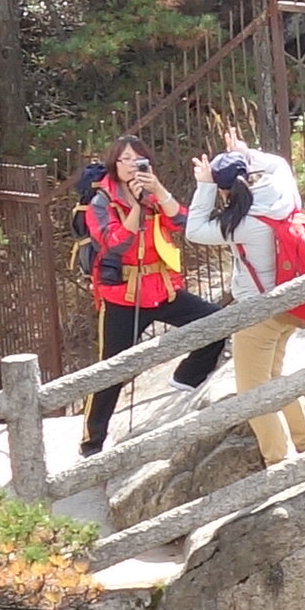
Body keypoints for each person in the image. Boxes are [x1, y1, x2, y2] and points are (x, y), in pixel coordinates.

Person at [191, 127, 305, 462]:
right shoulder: (284, 195)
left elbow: (193, 229)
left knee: (252, 392)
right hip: (292, 306)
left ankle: (279, 460)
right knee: (275, 377)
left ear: (224, 189)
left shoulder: (240, 223)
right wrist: (247, 153)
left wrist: (205, 185)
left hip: (258, 314)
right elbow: (278, 165)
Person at [75, 141, 199, 449]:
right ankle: (92, 441)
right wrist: (137, 209)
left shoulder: (153, 192)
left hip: (163, 290)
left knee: (215, 323)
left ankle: (186, 379)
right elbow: (113, 243)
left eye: (138, 158)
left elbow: (183, 223)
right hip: (123, 298)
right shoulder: (101, 201)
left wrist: (158, 191)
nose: (132, 163)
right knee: (111, 370)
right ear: (114, 165)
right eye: (125, 158)